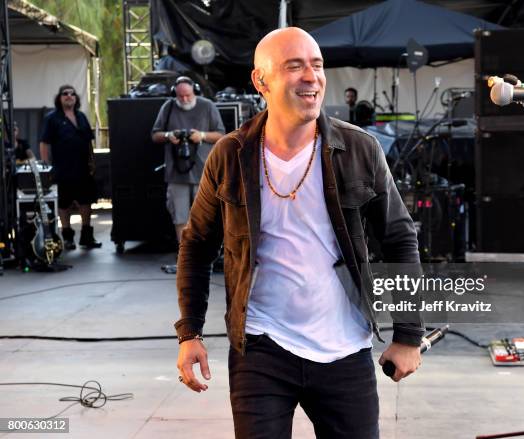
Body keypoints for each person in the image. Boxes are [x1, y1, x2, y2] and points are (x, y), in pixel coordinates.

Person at [175, 27, 423, 439]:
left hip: (345, 347)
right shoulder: (231, 155)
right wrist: (190, 333)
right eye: (295, 66)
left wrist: (409, 333)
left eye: (317, 65)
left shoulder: (360, 149)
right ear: (261, 81)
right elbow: (197, 244)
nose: (311, 76)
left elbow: (400, 237)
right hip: (261, 347)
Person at [151, 76, 225, 273]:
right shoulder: (167, 107)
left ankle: (206, 257)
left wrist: (200, 136)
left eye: (187, 96)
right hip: (177, 174)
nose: (184, 100)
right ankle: (186, 257)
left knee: (206, 217)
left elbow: (221, 134)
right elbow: (155, 135)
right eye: (180, 96)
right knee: (180, 217)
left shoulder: (207, 106)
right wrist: (169, 135)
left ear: (195, 92)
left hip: (203, 172)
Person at [40, 85, 101, 250]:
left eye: (72, 94)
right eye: (65, 94)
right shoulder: (52, 118)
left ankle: (87, 236)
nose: (69, 96)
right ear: (59, 98)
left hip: (82, 168)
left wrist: (92, 161)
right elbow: (44, 143)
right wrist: (46, 167)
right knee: (64, 204)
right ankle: (67, 237)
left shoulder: (81, 116)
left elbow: (88, 141)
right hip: (62, 169)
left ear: (76, 98)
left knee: (86, 201)